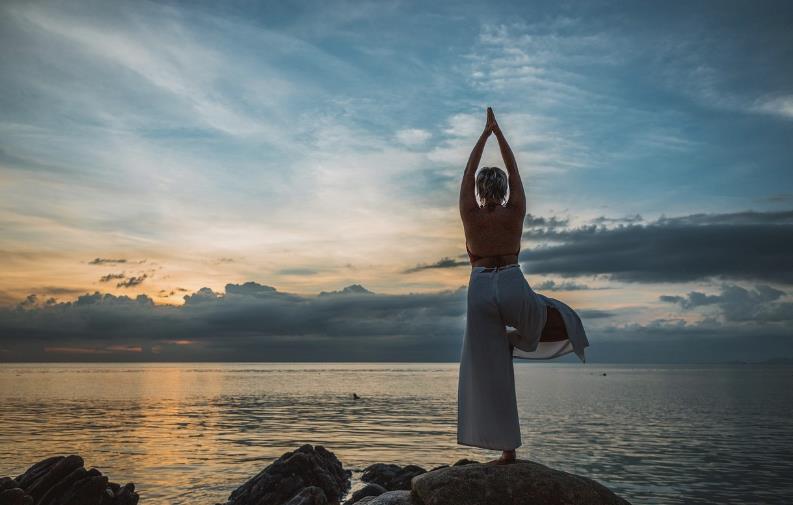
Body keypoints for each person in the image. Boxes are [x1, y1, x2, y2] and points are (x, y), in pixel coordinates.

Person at [457, 107, 590, 465]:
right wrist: (498, 132)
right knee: (540, 320)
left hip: (480, 286)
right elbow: (513, 170)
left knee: (489, 367)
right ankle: (521, 341)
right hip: (512, 281)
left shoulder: (470, 213)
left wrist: (483, 134)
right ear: (503, 189)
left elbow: (468, 172)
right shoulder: (514, 210)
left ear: (479, 190)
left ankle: (506, 447)